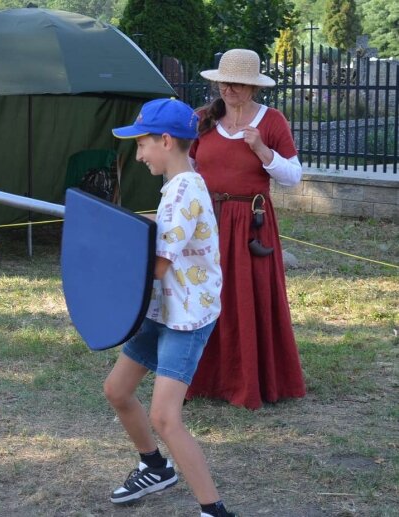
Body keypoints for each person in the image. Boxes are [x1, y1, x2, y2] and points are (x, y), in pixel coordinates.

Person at [105, 98, 235, 517]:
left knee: (165, 416)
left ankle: (213, 510)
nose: (139, 155)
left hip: (185, 318)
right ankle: (155, 466)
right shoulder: (177, 187)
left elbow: (157, 266)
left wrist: (106, 265)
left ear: (165, 140)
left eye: (142, 145)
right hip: (162, 309)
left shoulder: (184, 192)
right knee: (118, 390)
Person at [186, 48, 306, 410]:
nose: (228, 89)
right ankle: (206, 379)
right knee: (206, 296)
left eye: (237, 83)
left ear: (253, 87)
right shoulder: (203, 119)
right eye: (224, 82)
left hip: (251, 224)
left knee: (249, 297)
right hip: (209, 220)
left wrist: (262, 151)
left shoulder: (272, 122)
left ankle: (252, 380)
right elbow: (186, 167)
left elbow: (294, 178)